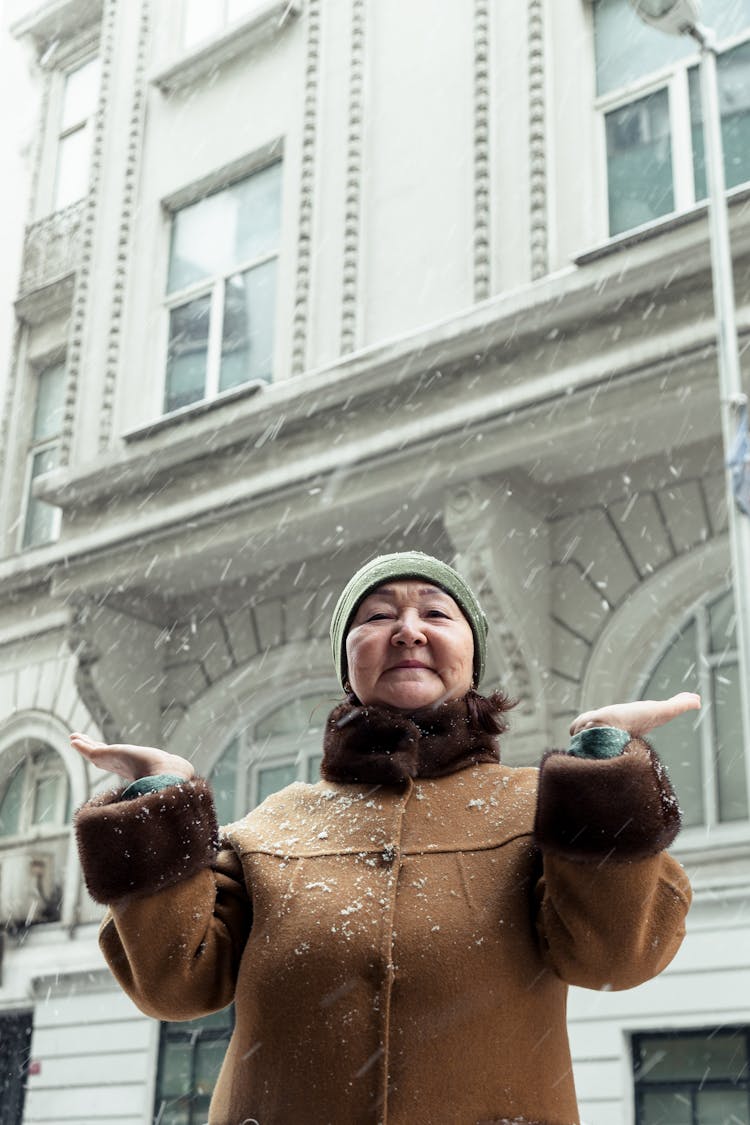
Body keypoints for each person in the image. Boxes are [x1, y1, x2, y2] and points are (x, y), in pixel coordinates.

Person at [72, 551, 697, 1125]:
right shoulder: (271, 824)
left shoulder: (543, 807)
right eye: (377, 616)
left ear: (472, 662)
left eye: (435, 612)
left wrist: (604, 761)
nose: (409, 630)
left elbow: (617, 956)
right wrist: (159, 797)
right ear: (349, 665)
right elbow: (174, 984)